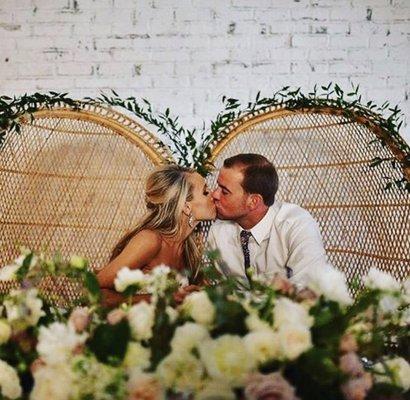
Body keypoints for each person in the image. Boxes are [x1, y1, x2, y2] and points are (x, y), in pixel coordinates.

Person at [97, 164, 216, 307]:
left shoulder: (189, 245)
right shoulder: (150, 240)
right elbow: (93, 293)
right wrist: (160, 299)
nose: (214, 194)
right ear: (186, 206)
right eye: (205, 192)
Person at [207, 153, 328, 288]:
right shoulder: (218, 231)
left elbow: (307, 289)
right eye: (218, 186)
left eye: (224, 191)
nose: (214, 194)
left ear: (253, 201)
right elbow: (223, 291)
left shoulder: (296, 225)